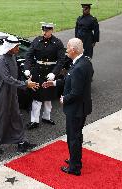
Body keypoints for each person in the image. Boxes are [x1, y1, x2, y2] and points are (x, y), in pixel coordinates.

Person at [43, 38, 94, 176]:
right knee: (76, 136)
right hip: (81, 107)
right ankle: (75, 159)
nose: (66, 50)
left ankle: (74, 167)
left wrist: (64, 98)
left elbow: (76, 92)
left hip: (76, 109)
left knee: (73, 137)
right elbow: (69, 79)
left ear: (73, 50)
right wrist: (53, 83)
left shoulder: (78, 67)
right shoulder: (84, 62)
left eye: (67, 48)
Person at [0, 35, 39, 154]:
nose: (18, 49)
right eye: (16, 46)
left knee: (16, 116)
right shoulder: (0, 60)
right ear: (10, 47)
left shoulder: (12, 57)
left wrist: (26, 79)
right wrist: (25, 84)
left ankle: (21, 142)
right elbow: (7, 78)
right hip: (0, 93)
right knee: (1, 118)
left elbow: (15, 74)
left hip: (11, 92)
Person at [24, 22, 65, 130]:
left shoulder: (57, 43)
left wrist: (54, 73)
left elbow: (61, 60)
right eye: (43, 30)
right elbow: (28, 55)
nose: (44, 32)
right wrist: (27, 68)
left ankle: (46, 117)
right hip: (37, 72)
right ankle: (34, 120)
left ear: (52, 30)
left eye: (47, 30)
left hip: (50, 73)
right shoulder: (37, 40)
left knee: (48, 98)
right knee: (36, 98)